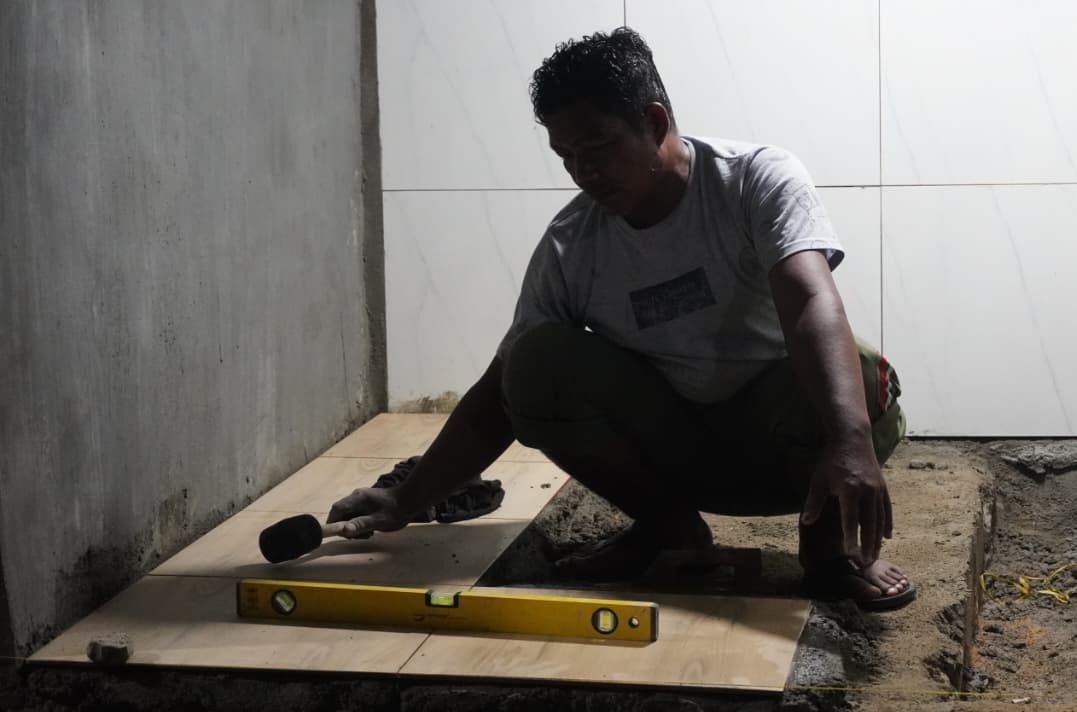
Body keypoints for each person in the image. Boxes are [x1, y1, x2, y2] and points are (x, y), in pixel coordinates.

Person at [328, 27, 914, 610]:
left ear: (654, 122)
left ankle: (829, 549)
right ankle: (669, 529)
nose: (583, 171)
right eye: (567, 156)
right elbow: (498, 394)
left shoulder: (753, 178)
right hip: (676, 452)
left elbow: (810, 300)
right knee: (533, 364)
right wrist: (407, 499)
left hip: (788, 449)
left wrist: (849, 440)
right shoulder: (572, 243)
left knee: (861, 372)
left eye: (598, 147)